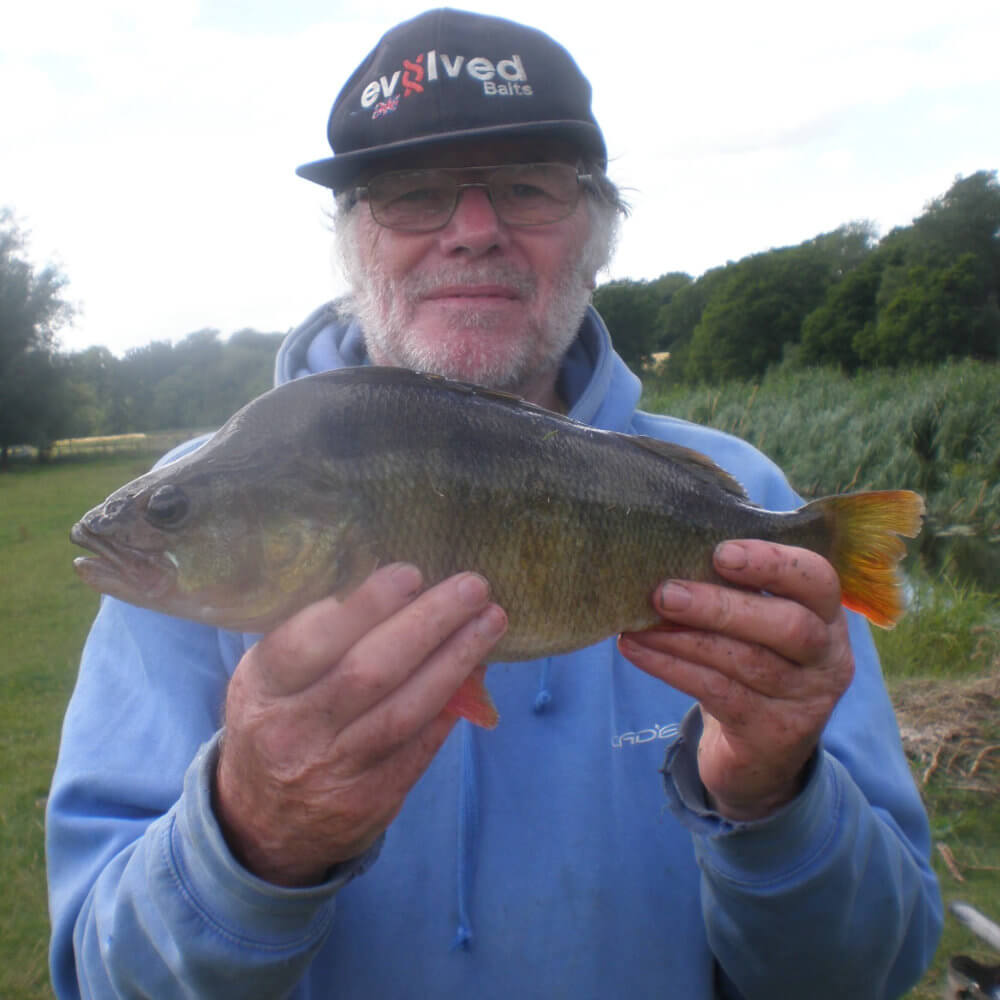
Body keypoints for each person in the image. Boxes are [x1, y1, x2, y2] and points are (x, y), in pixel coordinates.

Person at [47, 9, 942, 998]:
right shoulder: (190, 542)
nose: (473, 232)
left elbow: (869, 968)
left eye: (525, 186)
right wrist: (248, 839)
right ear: (353, 241)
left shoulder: (756, 509)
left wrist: (774, 795)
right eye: (413, 195)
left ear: (596, 229)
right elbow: (101, 977)